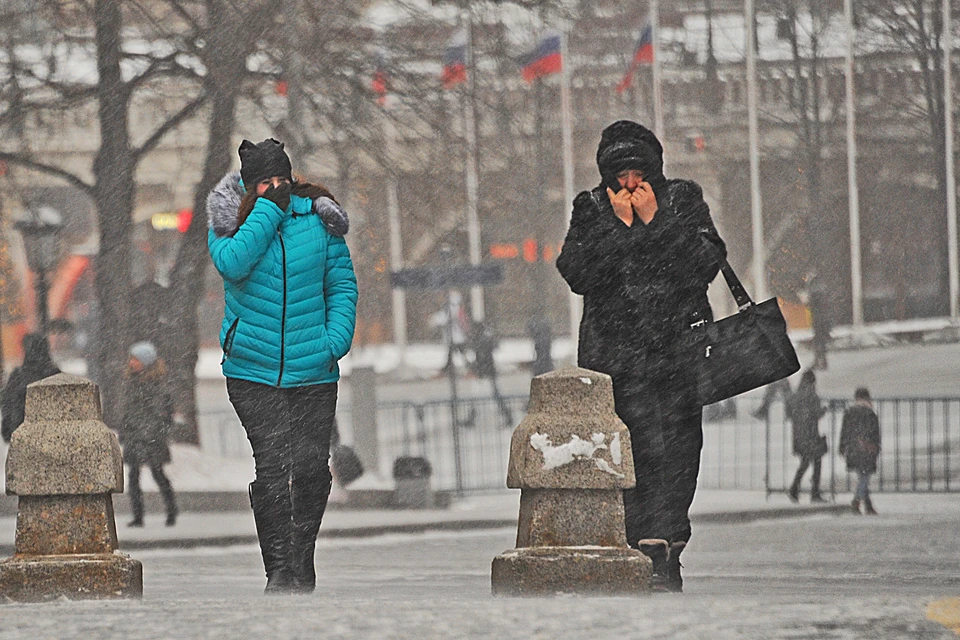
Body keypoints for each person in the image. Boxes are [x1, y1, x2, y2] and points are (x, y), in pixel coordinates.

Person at [556, 120, 726, 592]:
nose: (630, 185)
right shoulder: (591, 209)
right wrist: (621, 229)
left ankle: (669, 545)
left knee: (678, 453)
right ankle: (642, 547)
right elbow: (576, 271)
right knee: (630, 455)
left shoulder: (683, 201)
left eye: (638, 174)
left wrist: (657, 222)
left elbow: (704, 263)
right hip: (617, 361)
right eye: (621, 176)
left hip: (678, 356)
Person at [207, 138, 357, 594]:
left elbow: (342, 285)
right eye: (265, 183)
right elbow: (233, 265)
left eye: (282, 181)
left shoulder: (318, 220)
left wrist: (333, 342)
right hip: (252, 371)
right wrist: (268, 212)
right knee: (273, 465)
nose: (275, 188)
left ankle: (301, 557)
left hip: (313, 369)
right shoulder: (230, 222)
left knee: (311, 467)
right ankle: (279, 571)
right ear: (249, 187)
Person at [119, 341, 178, 528]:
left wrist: (154, 432)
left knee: (157, 473)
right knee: (133, 477)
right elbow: (128, 411)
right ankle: (138, 516)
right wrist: (126, 431)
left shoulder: (158, 385)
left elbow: (163, 413)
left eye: (135, 359)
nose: (131, 363)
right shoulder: (132, 383)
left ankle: (171, 511)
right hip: (135, 436)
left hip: (152, 437)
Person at [1, 333, 61, 443]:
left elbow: (8, 404)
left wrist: (8, 428)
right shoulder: (55, 375)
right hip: (50, 438)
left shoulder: (18, 376)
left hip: (22, 436)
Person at [785, 370, 828, 503]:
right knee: (816, 462)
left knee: (804, 462)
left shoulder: (795, 396)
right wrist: (824, 410)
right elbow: (816, 414)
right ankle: (814, 492)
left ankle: (794, 488)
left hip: (799, 435)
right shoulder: (812, 396)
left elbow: (789, 413)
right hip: (811, 435)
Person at [839, 387, 881, 515]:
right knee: (864, 477)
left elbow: (844, 431)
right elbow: (875, 433)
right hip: (866, 450)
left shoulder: (849, 412)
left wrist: (842, 447)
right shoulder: (870, 412)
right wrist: (876, 447)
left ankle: (868, 505)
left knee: (863, 476)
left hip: (853, 449)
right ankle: (856, 501)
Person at [471, 321, 513, 428]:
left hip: (486, 374)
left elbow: (482, 358)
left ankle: (508, 416)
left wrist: (479, 370)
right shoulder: (486, 339)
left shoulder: (481, 341)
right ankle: (507, 416)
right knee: (492, 395)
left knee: (483, 395)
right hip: (489, 373)